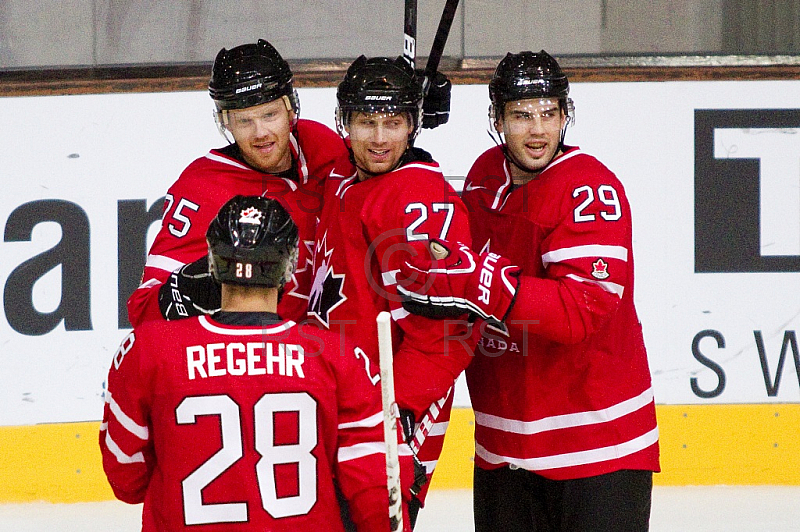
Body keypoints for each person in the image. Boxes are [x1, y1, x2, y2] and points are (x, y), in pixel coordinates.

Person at [397, 50, 660, 531]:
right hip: (504, 450)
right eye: (521, 115)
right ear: (497, 118)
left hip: (597, 449)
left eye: (548, 113)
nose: (537, 130)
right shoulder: (482, 177)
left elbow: (580, 311)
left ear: (565, 115)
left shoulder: (589, 189)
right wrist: (401, 134)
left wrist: (482, 281)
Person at [100, 195, 414, 531]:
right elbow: (377, 491)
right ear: (290, 264)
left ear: (212, 261)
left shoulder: (149, 349)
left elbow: (126, 478)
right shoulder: (336, 356)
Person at [306, 55, 472, 526]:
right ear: (344, 123)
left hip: (387, 423)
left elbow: (451, 332)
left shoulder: (416, 199)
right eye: (366, 122)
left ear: (413, 125)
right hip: (334, 406)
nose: (379, 139)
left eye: (394, 123)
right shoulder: (343, 175)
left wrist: (392, 415)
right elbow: (294, 138)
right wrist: (399, 86)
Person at [127, 39, 345, 327]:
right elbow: (143, 309)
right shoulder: (203, 186)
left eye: (270, 115)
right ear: (225, 123)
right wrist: (190, 290)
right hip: (262, 356)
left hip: (337, 348)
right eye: (244, 121)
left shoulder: (323, 146)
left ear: (291, 109)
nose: (261, 133)